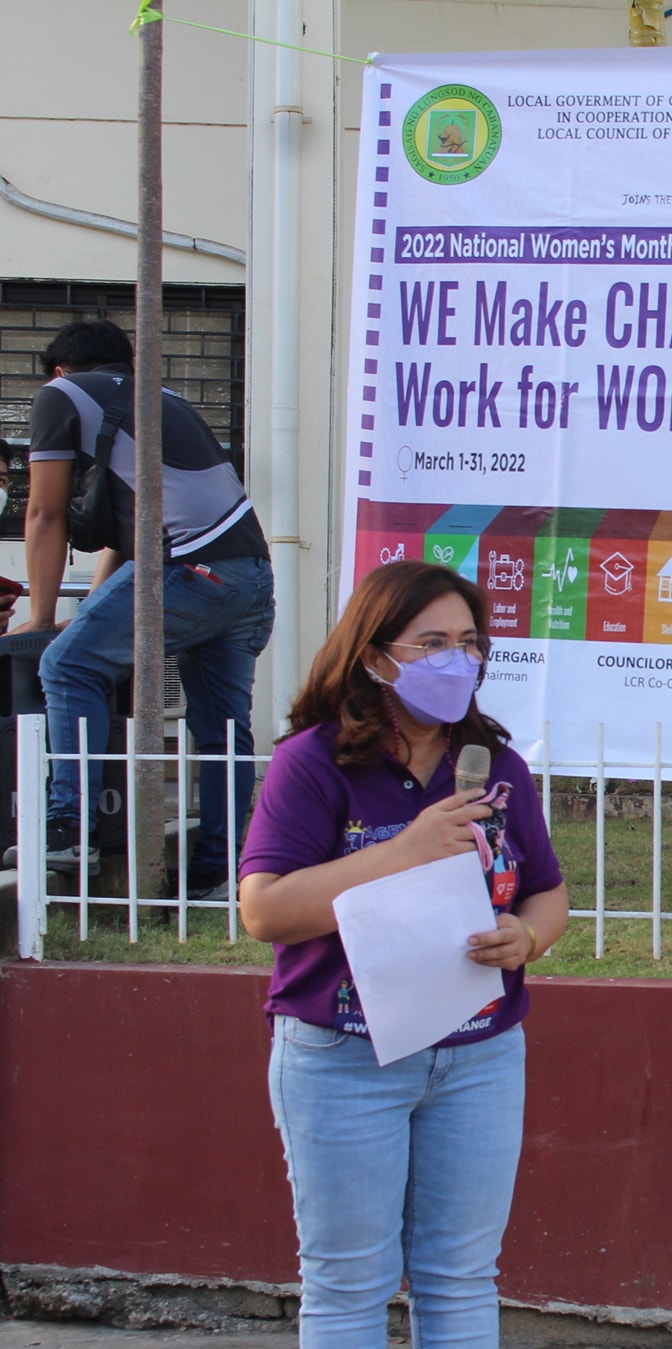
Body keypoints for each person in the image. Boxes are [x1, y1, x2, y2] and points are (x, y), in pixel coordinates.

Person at [239, 560, 569, 1349]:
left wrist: (526, 937)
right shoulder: (313, 762)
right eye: (432, 643)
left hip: (479, 1055)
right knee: (350, 1283)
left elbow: (548, 894)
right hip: (344, 1057)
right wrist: (406, 849)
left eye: (469, 641)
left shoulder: (495, 767)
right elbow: (265, 911)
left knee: (461, 1277)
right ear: (375, 655)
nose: (457, 658)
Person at [11, 318, 274, 890]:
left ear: (59, 370)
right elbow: (129, 541)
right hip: (250, 573)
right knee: (223, 731)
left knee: (65, 664)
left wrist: (38, 619)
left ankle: (69, 832)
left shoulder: (61, 396)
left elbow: (45, 513)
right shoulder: (159, 399)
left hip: (191, 569)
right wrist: (86, 615)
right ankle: (218, 873)